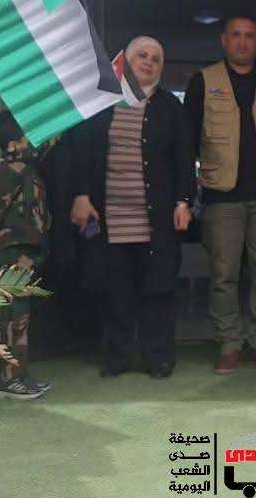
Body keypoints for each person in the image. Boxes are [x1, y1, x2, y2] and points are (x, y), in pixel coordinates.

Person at [69, 37, 193, 379]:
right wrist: (81, 195)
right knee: (115, 289)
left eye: (156, 58)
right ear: (126, 60)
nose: (148, 62)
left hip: (157, 218)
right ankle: (117, 356)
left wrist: (184, 201)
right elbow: (82, 151)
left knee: (158, 289)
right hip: (108, 216)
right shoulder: (101, 102)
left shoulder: (171, 108)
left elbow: (184, 159)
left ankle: (157, 357)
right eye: (142, 56)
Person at [184, 16, 256, 375]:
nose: (243, 42)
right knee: (223, 274)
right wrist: (187, 194)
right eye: (236, 35)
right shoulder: (202, 80)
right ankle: (229, 343)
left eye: (250, 36)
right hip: (221, 196)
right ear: (223, 40)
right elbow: (187, 141)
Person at [0, 110, 54, 400]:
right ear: (12, 143)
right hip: (13, 249)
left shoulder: (28, 167)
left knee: (21, 313)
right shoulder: (10, 170)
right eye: (27, 135)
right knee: (12, 314)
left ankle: (20, 373)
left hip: (28, 248)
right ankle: (7, 379)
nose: (33, 140)